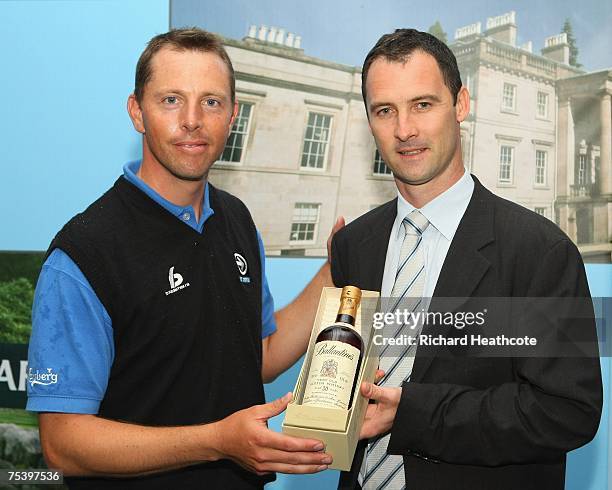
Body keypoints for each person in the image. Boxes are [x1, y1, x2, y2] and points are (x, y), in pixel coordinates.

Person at [27, 28, 341, 489]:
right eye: (171, 100)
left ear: (233, 115)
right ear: (137, 111)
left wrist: (333, 269)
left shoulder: (236, 220)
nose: (192, 120)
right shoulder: (85, 253)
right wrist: (216, 441)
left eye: (211, 102)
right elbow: (63, 444)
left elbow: (257, 356)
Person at [330, 29, 603, 490]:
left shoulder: (542, 252)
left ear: (460, 105)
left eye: (423, 104)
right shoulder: (353, 245)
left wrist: (414, 413)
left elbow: (567, 411)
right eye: (384, 111)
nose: (404, 130)